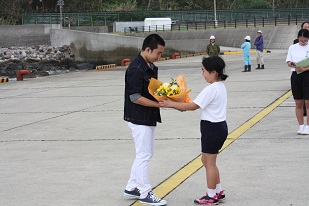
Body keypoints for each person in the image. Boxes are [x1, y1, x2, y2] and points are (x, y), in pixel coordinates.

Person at [160, 56, 228, 205]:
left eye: (204, 71)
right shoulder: (220, 86)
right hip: (219, 127)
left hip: (212, 128)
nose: (202, 74)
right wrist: (179, 103)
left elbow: (193, 106)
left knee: (209, 162)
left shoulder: (211, 89)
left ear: (214, 72)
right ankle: (218, 191)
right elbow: (195, 104)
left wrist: (171, 104)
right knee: (208, 160)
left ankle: (211, 196)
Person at [123, 33, 167, 205]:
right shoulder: (136, 68)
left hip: (148, 116)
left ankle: (131, 187)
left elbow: (152, 89)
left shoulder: (150, 65)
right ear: (148, 49)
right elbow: (135, 97)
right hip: (138, 117)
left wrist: (167, 93)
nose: (160, 57)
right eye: (158, 53)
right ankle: (145, 193)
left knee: (146, 154)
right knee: (144, 155)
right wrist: (158, 105)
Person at [286, 29, 309, 135]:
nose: (303, 43)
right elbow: (288, 61)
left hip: (307, 74)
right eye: (301, 40)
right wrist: (292, 64)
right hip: (296, 75)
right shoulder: (292, 47)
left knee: (308, 102)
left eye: (305, 41)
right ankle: (301, 126)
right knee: (298, 102)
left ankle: (308, 126)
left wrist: (304, 69)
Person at [293, 21, 309, 117]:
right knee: (300, 96)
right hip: (299, 72)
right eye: (305, 27)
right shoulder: (295, 43)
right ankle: (303, 111)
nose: (307, 28)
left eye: (308, 27)